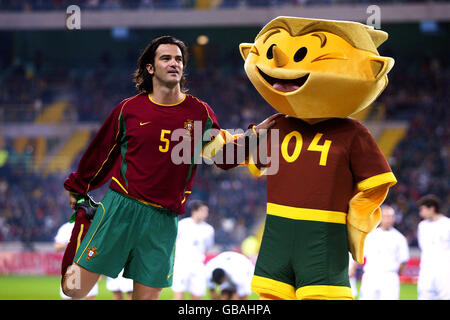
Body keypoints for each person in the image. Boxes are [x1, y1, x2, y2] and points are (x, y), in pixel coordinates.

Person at [61, 35, 277, 300]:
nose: (174, 63)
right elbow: (100, 154)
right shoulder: (128, 110)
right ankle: (82, 230)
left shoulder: (199, 112)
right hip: (121, 209)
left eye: (179, 59)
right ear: (150, 68)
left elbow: (223, 156)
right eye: (166, 58)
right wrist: (78, 186)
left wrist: (259, 132)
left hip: (163, 221)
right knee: (73, 288)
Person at [358, 205, 409, 300]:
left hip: (390, 277)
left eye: (391, 216)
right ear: (380, 218)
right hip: (371, 276)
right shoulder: (370, 235)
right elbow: (360, 255)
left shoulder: (399, 238)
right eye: (386, 216)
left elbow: (403, 260)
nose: (389, 219)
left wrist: (394, 274)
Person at [172, 200, 214, 300]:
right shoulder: (182, 225)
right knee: (178, 296)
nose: (206, 214)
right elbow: (173, 242)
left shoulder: (209, 229)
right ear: (194, 211)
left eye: (206, 211)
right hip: (182, 264)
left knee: (197, 295)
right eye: (203, 211)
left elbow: (208, 247)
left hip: (198, 265)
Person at [416, 194, 450, 300]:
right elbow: (423, 247)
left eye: (423, 209)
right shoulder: (422, 226)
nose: (420, 213)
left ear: (431, 208)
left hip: (444, 270)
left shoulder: (447, 224)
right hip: (426, 270)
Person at [54, 221, 98, 300]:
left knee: (90, 295)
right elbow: (57, 246)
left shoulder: (93, 225)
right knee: (71, 296)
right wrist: (72, 244)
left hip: (87, 267)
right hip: (71, 267)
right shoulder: (66, 227)